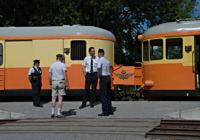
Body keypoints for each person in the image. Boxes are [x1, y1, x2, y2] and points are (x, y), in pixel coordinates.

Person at [97, 49, 113, 116]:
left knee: (103, 96)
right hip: (108, 78)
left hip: (103, 78)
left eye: (98, 53)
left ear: (100, 53)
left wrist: (98, 76)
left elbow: (99, 69)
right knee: (108, 95)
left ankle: (105, 111)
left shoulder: (100, 60)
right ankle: (110, 110)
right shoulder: (107, 61)